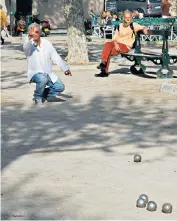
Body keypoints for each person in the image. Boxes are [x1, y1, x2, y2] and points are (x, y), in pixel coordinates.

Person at [23, 23, 72, 104]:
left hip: (47, 73)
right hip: (35, 73)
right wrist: (29, 38)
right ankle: (37, 97)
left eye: (37, 32)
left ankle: (47, 94)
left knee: (60, 87)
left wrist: (65, 68)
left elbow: (55, 56)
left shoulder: (46, 43)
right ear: (30, 34)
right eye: (33, 32)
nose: (35, 34)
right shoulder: (29, 44)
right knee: (42, 79)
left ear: (40, 32)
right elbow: (25, 47)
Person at [95, 10, 148, 77]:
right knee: (107, 44)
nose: (128, 19)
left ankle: (104, 71)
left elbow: (143, 27)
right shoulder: (120, 26)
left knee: (108, 51)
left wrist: (145, 29)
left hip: (125, 46)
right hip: (117, 43)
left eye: (129, 17)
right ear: (123, 18)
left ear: (131, 17)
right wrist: (116, 44)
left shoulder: (133, 25)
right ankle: (103, 63)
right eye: (126, 17)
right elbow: (114, 38)